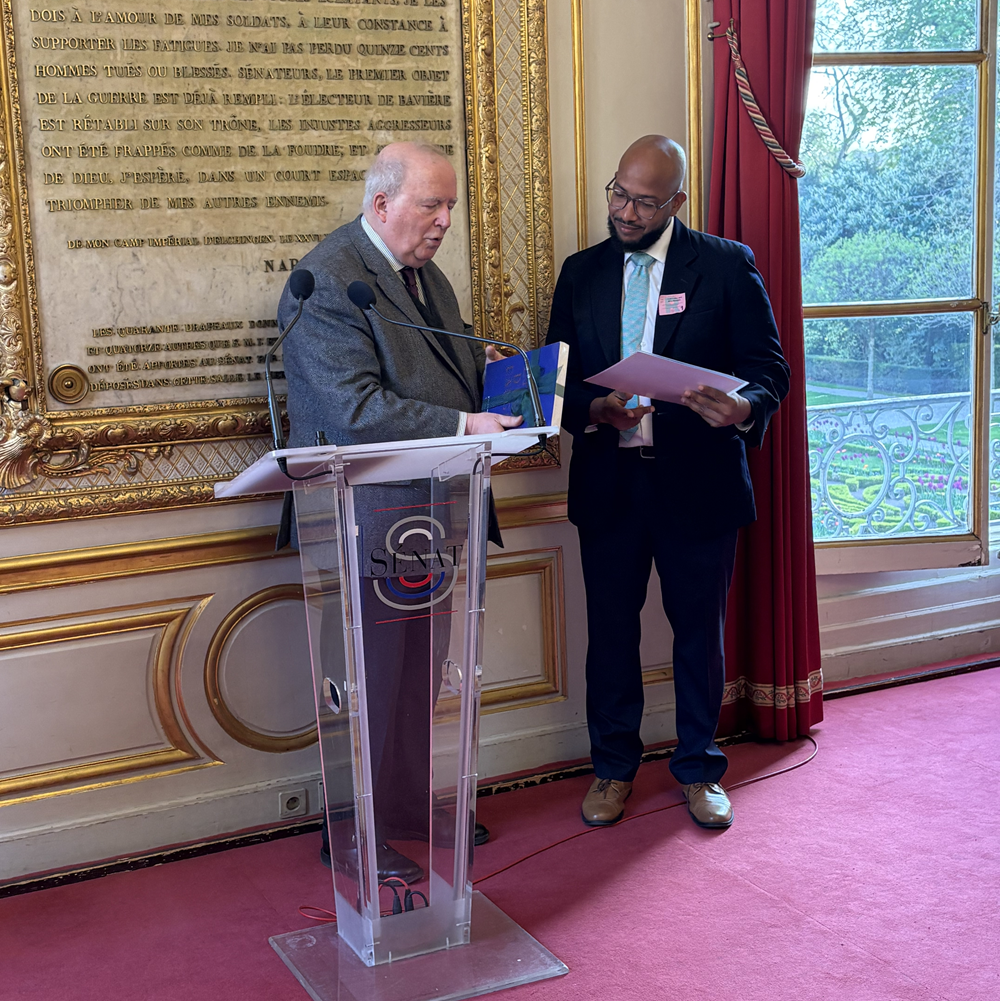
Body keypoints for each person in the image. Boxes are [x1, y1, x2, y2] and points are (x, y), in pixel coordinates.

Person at [277, 141, 518, 880]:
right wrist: (465, 425)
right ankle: (353, 830)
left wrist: (499, 382)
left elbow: (442, 371)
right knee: (370, 680)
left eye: (451, 206)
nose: (445, 220)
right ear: (381, 204)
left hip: (433, 510)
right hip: (362, 515)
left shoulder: (423, 273)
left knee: (420, 673)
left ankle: (409, 805)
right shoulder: (328, 281)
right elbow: (353, 410)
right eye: (431, 205)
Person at [545, 135, 789, 831]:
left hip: (699, 485)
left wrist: (743, 407)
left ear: (677, 201)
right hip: (610, 483)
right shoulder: (581, 272)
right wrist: (593, 408)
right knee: (610, 635)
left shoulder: (726, 265)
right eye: (618, 194)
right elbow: (556, 381)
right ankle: (612, 767)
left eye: (644, 202)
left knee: (698, 636)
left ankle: (700, 768)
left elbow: (769, 369)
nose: (625, 211)